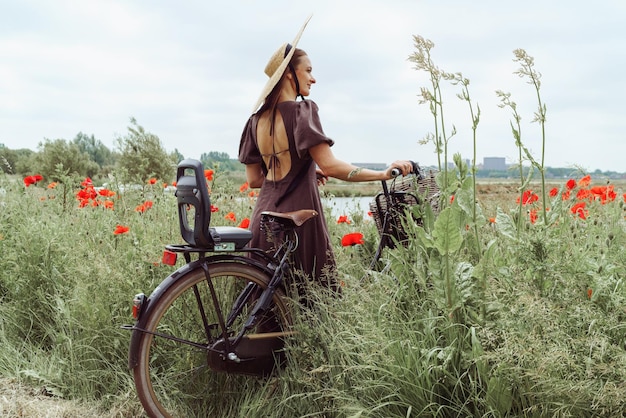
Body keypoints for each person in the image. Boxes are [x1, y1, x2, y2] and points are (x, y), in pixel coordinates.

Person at [238, 17, 413, 290]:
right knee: (312, 300)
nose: (313, 77)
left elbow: (255, 180)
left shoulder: (255, 121)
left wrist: (305, 170)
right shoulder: (301, 112)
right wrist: (381, 173)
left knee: (270, 304)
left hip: (263, 219)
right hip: (299, 217)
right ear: (289, 74)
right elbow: (331, 166)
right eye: (308, 70)